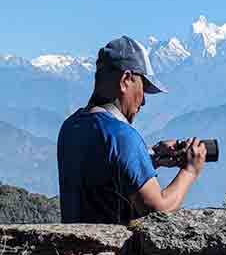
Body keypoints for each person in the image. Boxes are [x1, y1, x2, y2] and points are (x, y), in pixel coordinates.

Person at [57, 35, 207, 224]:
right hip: (111, 249)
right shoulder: (122, 136)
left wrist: (150, 156)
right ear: (126, 79)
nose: (143, 100)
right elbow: (157, 209)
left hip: (71, 248)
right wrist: (190, 170)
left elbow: (104, 172)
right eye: (143, 87)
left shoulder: (71, 127)